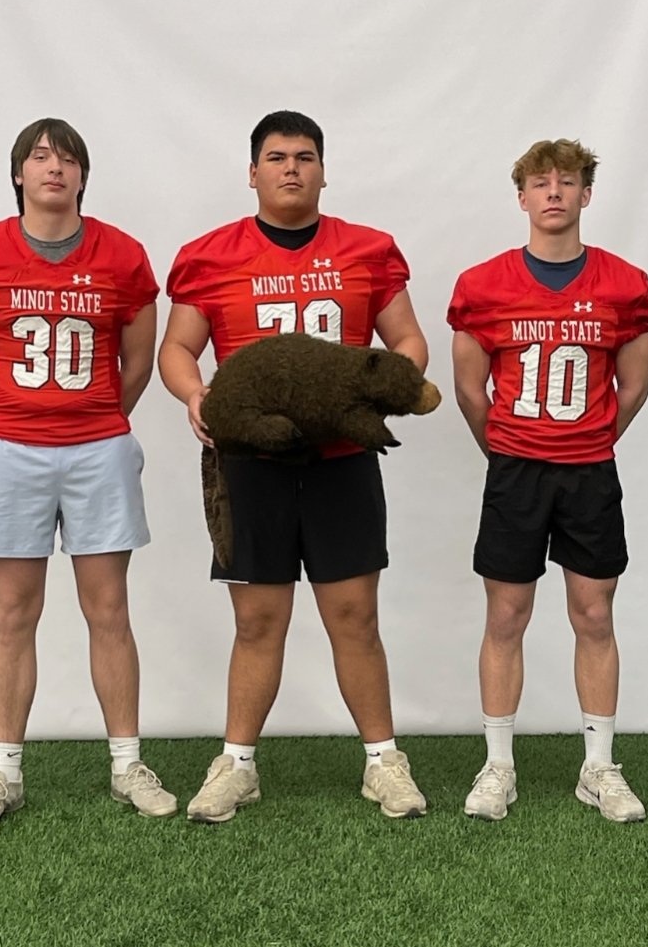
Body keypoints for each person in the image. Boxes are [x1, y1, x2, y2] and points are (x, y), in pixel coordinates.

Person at [158, 110, 428, 822]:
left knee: (353, 614)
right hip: (252, 462)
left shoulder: (367, 250)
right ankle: (237, 764)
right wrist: (196, 395)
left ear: (322, 169)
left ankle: (382, 761)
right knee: (257, 620)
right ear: (252, 172)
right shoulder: (210, 254)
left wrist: (374, 396)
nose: (290, 168)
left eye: (304, 156)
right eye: (275, 157)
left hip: (340, 460)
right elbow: (176, 349)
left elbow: (407, 343)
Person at [0, 118, 175, 827]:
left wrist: (93, 421)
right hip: (12, 449)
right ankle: (3, 772)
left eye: (67, 158)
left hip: (97, 447)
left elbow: (137, 362)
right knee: (14, 612)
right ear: (18, 172)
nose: (54, 167)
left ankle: (126, 762)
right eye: (40, 156)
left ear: (82, 175)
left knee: (108, 609)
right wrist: (15, 422)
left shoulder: (124, 255)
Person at [448, 139, 648, 823]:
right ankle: (497, 765)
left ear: (585, 195)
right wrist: (509, 448)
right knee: (505, 614)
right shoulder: (483, 284)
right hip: (516, 471)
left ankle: (598, 765)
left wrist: (588, 438)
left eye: (566, 181)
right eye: (539, 183)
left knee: (593, 614)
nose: (553, 193)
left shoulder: (623, 284)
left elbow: (633, 386)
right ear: (521, 198)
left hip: (588, 472)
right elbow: (467, 388)